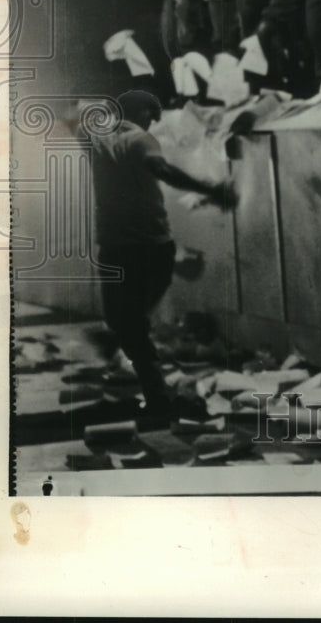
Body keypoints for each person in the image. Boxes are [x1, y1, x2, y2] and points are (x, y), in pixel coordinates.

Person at [86, 90, 235, 421]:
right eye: (151, 115)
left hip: (115, 247)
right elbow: (162, 170)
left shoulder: (99, 139)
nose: (153, 122)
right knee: (130, 323)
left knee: (124, 323)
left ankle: (157, 397)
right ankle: (158, 398)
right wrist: (211, 189)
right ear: (139, 112)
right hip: (148, 246)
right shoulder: (140, 140)